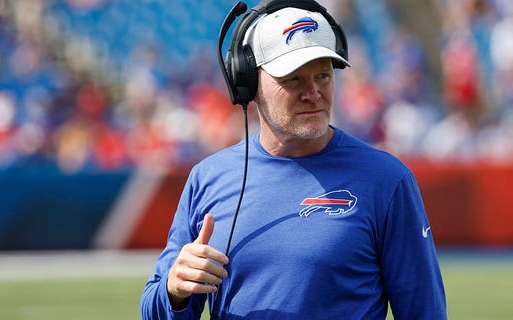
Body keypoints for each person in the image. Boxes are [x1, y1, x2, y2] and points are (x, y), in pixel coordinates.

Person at [140, 1, 447, 319]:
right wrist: (174, 291)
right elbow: (155, 310)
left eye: (323, 76)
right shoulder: (207, 178)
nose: (313, 92)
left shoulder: (387, 179)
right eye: (293, 80)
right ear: (248, 85)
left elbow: (424, 311)